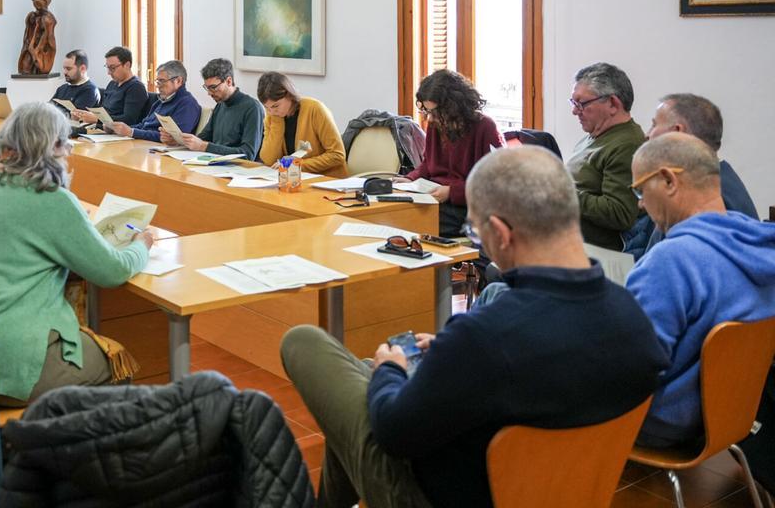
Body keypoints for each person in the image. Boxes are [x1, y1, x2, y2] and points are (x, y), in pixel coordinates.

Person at [280, 146, 666, 508]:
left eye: (479, 235)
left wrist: (391, 370)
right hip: (564, 491)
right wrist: (447, 358)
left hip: (439, 495)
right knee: (364, 373)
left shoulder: (485, 337)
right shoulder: (631, 316)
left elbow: (393, 433)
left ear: (501, 233)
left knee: (310, 344)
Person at [0, 102, 157, 406]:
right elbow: (114, 271)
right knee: (120, 365)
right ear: (49, 147)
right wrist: (142, 244)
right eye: (63, 143)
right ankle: (67, 447)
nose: (68, 150)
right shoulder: (52, 199)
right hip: (8, 362)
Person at [626, 133, 775, 448]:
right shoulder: (760, 244)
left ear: (668, 180)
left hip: (663, 421)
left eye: (640, 189)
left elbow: (633, 369)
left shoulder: (672, 261)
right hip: (735, 413)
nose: (640, 203)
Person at [624, 93, 759, 257]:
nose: (647, 134)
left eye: (654, 125)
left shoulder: (705, 197)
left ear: (677, 133)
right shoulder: (715, 178)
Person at [400, 70, 503, 237]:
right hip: (437, 199)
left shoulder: (486, 127)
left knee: (410, 224)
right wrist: (409, 179)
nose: (430, 119)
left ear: (453, 106)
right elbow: (428, 164)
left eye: (434, 112)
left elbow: (493, 185)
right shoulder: (437, 126)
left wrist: (451, 192)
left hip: (467, 208)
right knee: (397, 215)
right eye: (427, 112)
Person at [565, 62, 646, 250]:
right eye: (573, 103)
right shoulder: (595, 135)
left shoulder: (627, 145)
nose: (575, 110)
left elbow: (620, 213)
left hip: (592, 253)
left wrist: (562, 192)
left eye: (581, 103)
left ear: (612, 103)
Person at [167, 58, 263, 160]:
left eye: (213, 87)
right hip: (214, 164)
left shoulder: (252, 108)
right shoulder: (220, 105)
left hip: (238, 170)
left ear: (229, 81)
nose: (209, 93)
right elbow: (203, 138)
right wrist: (178, 141)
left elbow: (248, 154)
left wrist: (204, 146)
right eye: (207, 88)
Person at [256, 71, 347, 177]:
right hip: (293, 180)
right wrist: (277, 122)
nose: (271, 112)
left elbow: (337, 155)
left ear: (289, 95)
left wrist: (297, 164)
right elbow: (268, 159)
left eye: (276, 106)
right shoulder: (273, 116)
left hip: (327, 180)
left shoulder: (315, 109)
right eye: (266, 107)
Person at [107, 60, 200, 142]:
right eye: (157, 81)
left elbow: (175, 138)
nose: (158, 85)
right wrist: (118, 128)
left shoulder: (187, 104)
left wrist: (132, 132)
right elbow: (144, 125)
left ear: (178, 81)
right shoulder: (160, 101)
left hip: (160, 150)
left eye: (162, 81)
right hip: (144, 143)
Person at [70, 46, 147, 127]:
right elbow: (104, 111)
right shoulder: (112, 84)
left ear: (127, 65)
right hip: (104, 129)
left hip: (121, 134)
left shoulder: (136, 87)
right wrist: (84, 116)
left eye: (112, 68)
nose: (109, 72)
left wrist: (97, 119)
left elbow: (129, 119)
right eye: (107, 67)